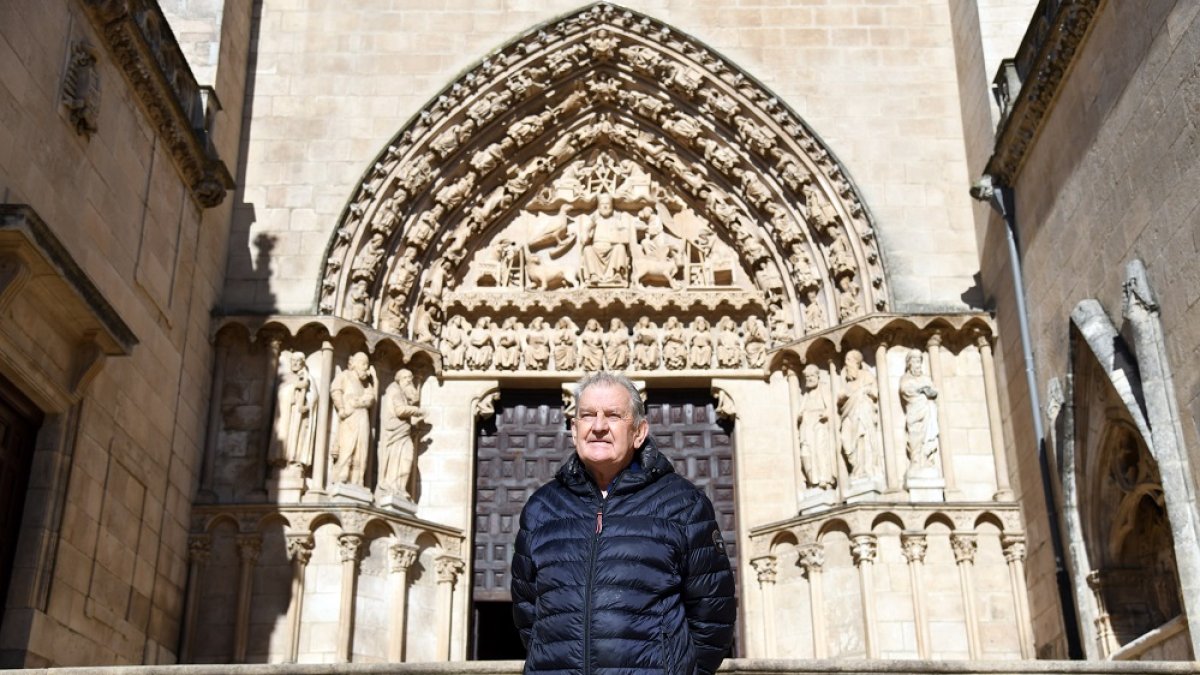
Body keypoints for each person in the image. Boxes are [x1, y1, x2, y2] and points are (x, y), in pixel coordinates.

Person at [511, 372, 736, 674]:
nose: (599, 426)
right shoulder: (541, 508)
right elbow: (528, 613)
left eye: (614, 415)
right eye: (587, 415)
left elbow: (713, 615)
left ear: (639, 432)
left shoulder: (684, 505)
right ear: (574, 429)